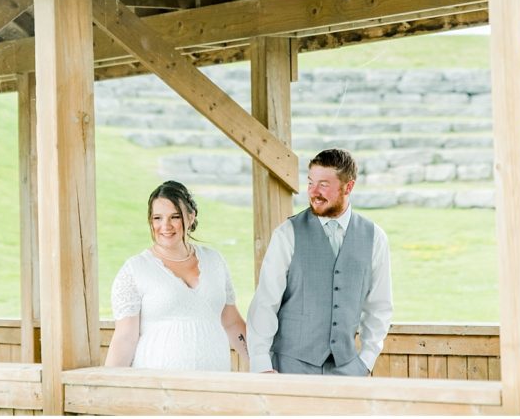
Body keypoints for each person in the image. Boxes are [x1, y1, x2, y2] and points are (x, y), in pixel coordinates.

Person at [246, 148, 392, 375]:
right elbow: (266, 302)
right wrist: (261, 363)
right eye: (310, 182)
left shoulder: (374, 237)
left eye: (323, 184)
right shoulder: (287, 234)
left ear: (349, 187)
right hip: (289, 368)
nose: (313, 192)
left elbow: (379, 307)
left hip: (348, 370)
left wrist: (366, 360)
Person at [105, 180, 249, 371]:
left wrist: (262, 364)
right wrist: (108, 387)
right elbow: (125, 338)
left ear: (190, 217)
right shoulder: (135, 270)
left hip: (215, 385)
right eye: (157, 218)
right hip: (158, 388)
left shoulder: (215, 261)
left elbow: (232, 323)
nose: (165, 226)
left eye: (174, 217)